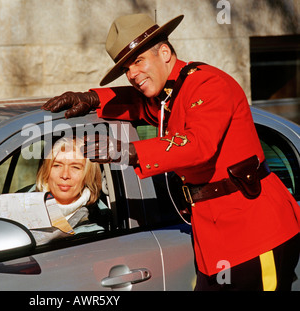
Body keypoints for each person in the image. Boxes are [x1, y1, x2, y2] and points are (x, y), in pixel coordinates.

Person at [42, 13, 300, 290]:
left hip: (255, 233)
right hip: (213, 239)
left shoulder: (208, 84)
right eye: (126, 69)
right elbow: (137, 103)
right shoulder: (168, 95)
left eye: (138, 61)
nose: (132, 75)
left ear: (164, 52)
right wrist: (91, 97)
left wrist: (128, 152)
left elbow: (199, 144)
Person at [31, 137, 106, 244]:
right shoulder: (18, 204)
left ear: (88, 175)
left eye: (75, 167)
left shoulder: (100, 224)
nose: (65, 175)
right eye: (57, 165)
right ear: (46, 171)